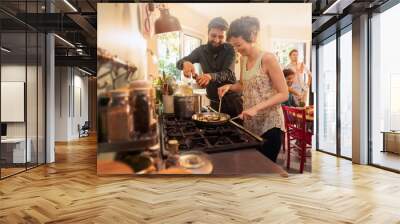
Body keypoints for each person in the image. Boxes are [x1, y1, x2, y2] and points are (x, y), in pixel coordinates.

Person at [218, 16, 288, 163]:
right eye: (234, 47)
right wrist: (229, 86)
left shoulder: (268, 58)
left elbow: (284, 94)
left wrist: (256, 108)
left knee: (266, 170)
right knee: (253, 165)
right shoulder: (243, 60)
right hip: (251, 123)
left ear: (252, 36)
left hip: (270, 124)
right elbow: (243, 85)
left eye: (238, 45)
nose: (236, 50)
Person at [176, 17, 243, 118]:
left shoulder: (230, 49)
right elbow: (179, 63)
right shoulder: (200, 51)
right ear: (208, 34)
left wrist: (209, 76)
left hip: (232, 102)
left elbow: (228, 73)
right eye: (213, 35)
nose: (216, 40)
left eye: (221, 37)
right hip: (214, 102)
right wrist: (185, 63)